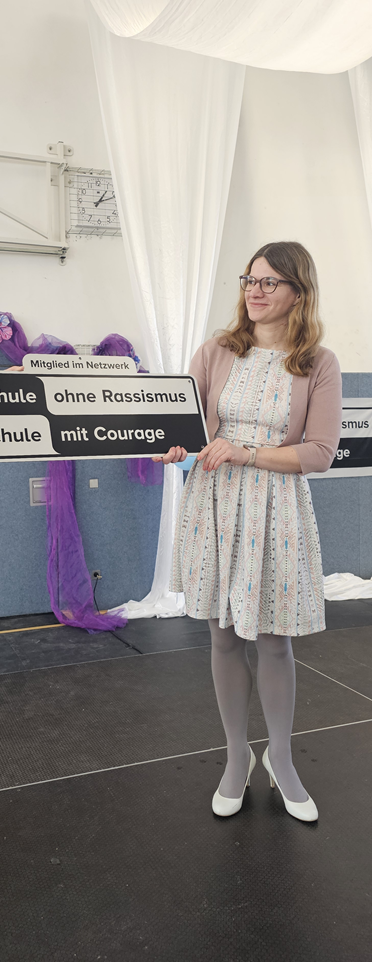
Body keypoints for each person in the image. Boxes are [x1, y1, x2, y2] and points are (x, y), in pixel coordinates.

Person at [157, 242, 341, 822]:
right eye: (249, 280)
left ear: (298, 293)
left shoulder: (319, 362)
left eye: (270, 282)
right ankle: (237, 755)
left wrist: (247, 452)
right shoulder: (216, 351)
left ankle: (280, 758)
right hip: (213, 502)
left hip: (276, 508)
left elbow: (319, 453)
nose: (255, 291)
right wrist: (172, 445)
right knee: (222, 636)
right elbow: (185, 425)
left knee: (274, 639)